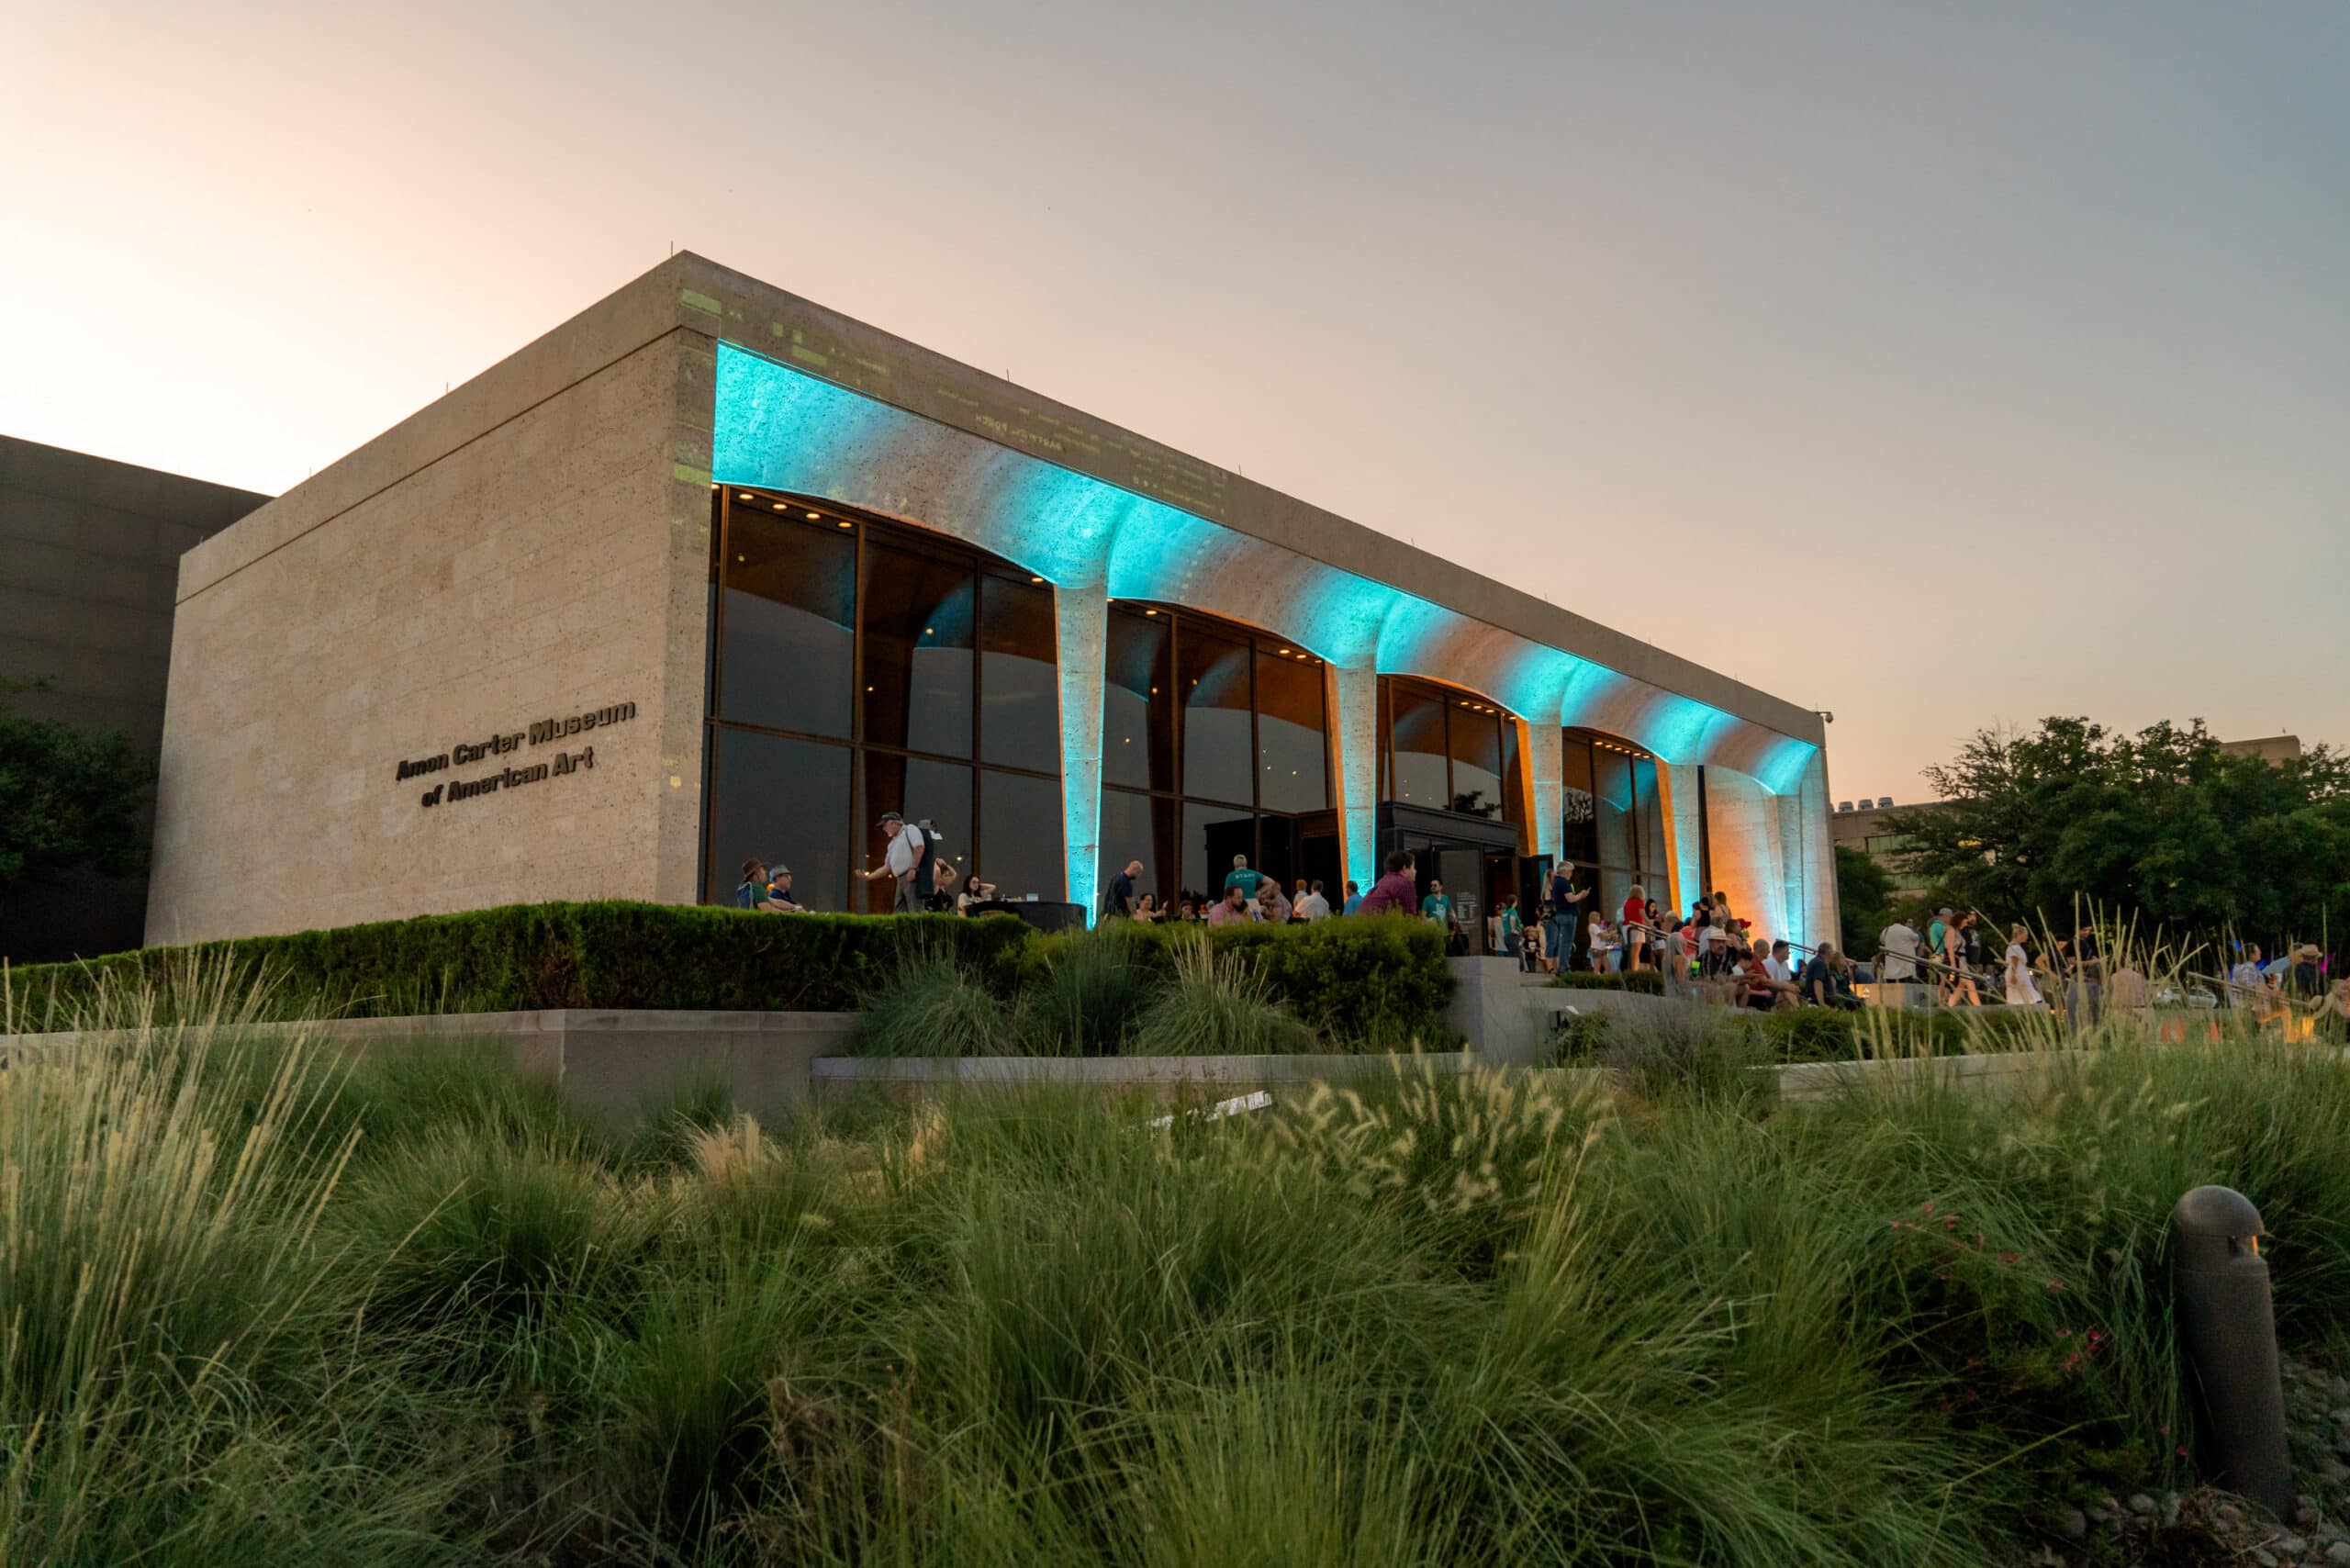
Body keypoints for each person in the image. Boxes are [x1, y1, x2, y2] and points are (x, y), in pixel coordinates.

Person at [858, 812, 927, 912]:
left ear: (894, 823)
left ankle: (919, 927)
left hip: (911, 876)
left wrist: (913, 868)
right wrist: (869, 877)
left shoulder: (910, 829)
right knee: (900, 909)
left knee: (914, 908)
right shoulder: (891, 844)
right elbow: (887, 867)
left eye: (885, 825)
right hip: (900, 879)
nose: (884, 829)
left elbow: (919, 847)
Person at [1546, 863, 1589, 974]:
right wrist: (1581, 895)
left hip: (1561, 914)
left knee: (1564, 942)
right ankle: (1564, 967)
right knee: (1566, 942)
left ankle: (1562, 967)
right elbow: (1570, 899)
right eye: (1570, 871)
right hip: (1567, 914)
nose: (1571, 873)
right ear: (1564, 871)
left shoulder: (1556, 882)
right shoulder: (1563, 882)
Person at [1803, 943, 1863, 1010]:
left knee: (1857, 1002)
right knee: (1857, 1004)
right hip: (1825, 998)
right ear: (1828, 953)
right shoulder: (1820, 963)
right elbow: (1818, 982)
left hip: (1828, 996)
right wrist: (1822, 1003)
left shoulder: (1818, 961)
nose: (1833, 954)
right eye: (1832, 952)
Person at [1358, 850, 1419, 915]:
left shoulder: (1383, 881)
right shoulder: (1406, 883)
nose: (1415, 871)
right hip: (1382, 924)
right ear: (1404, 869)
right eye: (1413, 868)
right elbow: (1410, 917)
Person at [1941, 914, 1982, 1006]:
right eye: (1965, 922)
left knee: (1961, 986)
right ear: (1960, 920)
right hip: (1957, 960)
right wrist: (1953, 965)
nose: (1966, 924)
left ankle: (1950, 1006)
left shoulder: (1957, 931)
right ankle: (1979, 1007)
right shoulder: (1950, 930)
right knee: (1969, 984)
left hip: (1961, 961)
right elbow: (1950, 948)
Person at [2229, 944, 2271, 1014]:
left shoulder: (2240, 966)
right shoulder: (2249, 966)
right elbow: (2249, 986)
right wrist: (2267, 990)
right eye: (2258, 950)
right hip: (2251, 1007)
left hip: (2243, 1005)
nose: (2260, 952)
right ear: (2251, 955)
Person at [1878, 915, 1921, 983]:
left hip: (1891, 958)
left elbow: (1882, 940)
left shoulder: (1886, 930)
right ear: (1902, 922)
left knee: (1891, 976)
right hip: (1904, 958)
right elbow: (1915, 937)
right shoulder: (1906, 930)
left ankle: (1891, 992)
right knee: (1904, 977)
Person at [1101, 857, 1144, 921]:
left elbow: (1108, 896)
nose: (1138, 876)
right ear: (1135, 870)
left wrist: (1106, 912)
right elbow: (1129, 902)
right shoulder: (1126, 882)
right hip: (1117, 917)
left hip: (1109, 915)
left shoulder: (1115, 877)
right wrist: (1136, 915)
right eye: (1139, 873)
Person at [1619, 883, 1649, 971]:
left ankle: (1634, 970)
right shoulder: (1639, 901)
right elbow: (1642, 914)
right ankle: (1634, 971)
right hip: (1636, 927)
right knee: (1636, 952)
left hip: (1627, 927)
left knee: (1632, 951)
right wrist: (1650, 925)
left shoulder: (1627, 902)